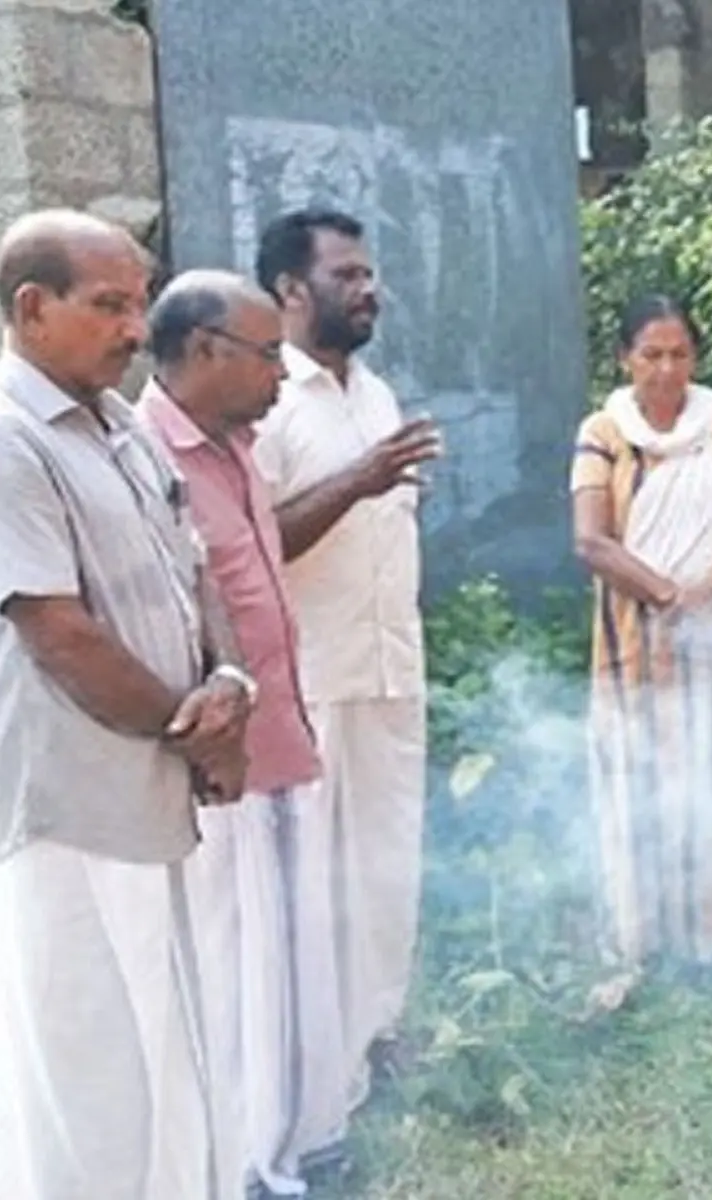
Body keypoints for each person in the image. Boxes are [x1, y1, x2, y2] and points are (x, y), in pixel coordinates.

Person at [0, 209, 253, 1199]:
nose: (133, 328)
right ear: (32, 308)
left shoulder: (119, 424)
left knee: (175, 1056)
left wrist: (230, 688)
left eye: (136, 303)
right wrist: (191, 735)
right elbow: (59, 634)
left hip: (156, 794)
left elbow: (195, 570)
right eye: (108, 304)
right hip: (76, 805)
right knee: (92, 1079)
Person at [251, 207, 443, 1158]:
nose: (370, 290)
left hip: (386, 671)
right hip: (312, 684)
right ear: (291, 291)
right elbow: (252, 542)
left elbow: (384, 507)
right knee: (310, 891)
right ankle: (308, 1087)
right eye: (349, 276)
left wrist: (393, 490)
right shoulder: (264, 400)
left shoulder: (375, 390)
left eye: (370, 275)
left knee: (382, 870)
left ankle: (371, 1045)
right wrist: (364, 480)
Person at [139, 270, 324, 1196]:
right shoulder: (148, 455)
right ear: (207, 350)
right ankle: (238, 1167)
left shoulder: (235, 443)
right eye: (267, 355)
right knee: (226, 961)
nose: (283, 376)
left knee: (278, 959)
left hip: (281, 740)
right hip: (221, 764)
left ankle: (274, 1153)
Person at [573, 295, 712, 968]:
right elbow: (590, 541)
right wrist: (669, 596)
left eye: (679, 354)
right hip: (637, 639)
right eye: (651, 354)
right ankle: (647, 940)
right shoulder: (604, 432)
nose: (666, 370)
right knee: (644, 780)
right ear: (624, 358)